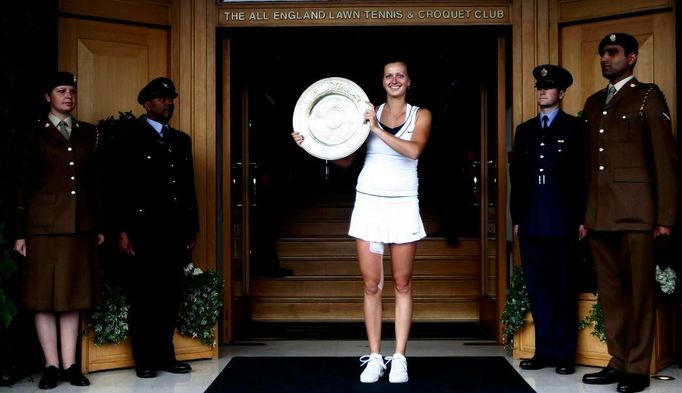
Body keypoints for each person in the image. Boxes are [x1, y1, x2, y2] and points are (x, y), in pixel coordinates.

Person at [292, 59, 431, 383]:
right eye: (388, 76)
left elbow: (413, 151)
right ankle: (375, 357)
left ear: (409, 80)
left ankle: (399, 358)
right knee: (371, 285)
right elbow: (345, 159)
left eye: (400, 75)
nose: (394, 80)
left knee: (402, 284)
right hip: (368, 204)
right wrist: (309, 145)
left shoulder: (419, 114)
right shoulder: (366, 113)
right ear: (382, 82)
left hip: (403, 205)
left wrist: (376, 129)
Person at [580, 33, 678, 393]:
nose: (605, 58)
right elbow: (589, 166)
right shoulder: (593, 104)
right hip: (600, 215)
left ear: (632, 58)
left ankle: (636, 368)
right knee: (611, 295)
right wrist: (584, 215)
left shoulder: (648, 97)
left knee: (639, 294)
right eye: (602, 53)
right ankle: (618, 361)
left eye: (613, 53)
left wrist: (665, 217)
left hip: (638, 215)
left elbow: (665, 161)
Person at [13, 71, 103, 389]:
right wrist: (19, 233)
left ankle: (70, 365)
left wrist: (99, 226)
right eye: (61, 91)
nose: (68, 96)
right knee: (43, 297)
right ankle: (50, 365)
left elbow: (94, 185)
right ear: (47, 96)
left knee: (73, 297)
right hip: (42, 228)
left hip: (80, 226)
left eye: (72, 91)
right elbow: (22, 184)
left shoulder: (87, 133)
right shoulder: (33, 134)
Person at [113, 77, 199, 378]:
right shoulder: (129, 136)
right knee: (144, 296)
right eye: (162, 99)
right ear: (147, 104)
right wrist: (123, 230)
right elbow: (121, 187)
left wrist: (193, 228)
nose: (169, 103)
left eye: (171, 98)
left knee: (169, 295)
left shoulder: (181, 139)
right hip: (144, 230)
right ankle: (145, 359)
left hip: (174, 231)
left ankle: (165, 355)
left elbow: (188, 188)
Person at [510, 64, 586, 375]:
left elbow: (583, 177)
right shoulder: (525, 130)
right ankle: (545, 351)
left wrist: (582, 219)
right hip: (531, 221)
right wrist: (517, 218)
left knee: (564, 288)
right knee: (538, 288)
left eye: (550, 86)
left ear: (562, 93)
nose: (542, 90)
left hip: (564, 220)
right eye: (540, 86)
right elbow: (518, 178)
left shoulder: (576, 128)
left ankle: (565, 354)